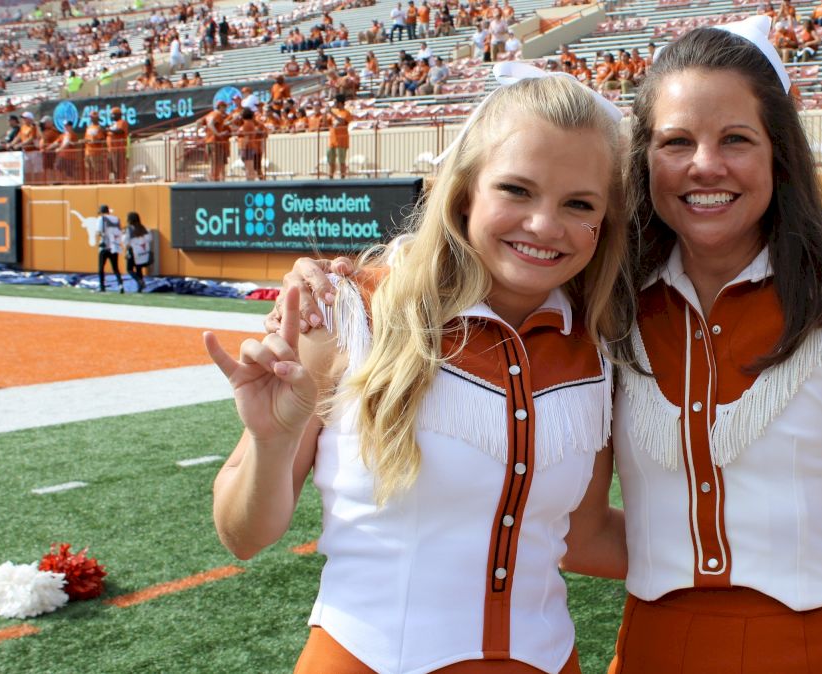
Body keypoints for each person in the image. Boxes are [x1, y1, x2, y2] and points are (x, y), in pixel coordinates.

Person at [273, 16, 822, 671]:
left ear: (778, 153)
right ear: (644, 163)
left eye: (735, 139)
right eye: (676, 142)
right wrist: (345, 278)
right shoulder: (606, 305)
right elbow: (573, 523)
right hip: (654, 651)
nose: (705, 165)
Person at [206, 65, 630, 674]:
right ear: (463, 192)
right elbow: (242, 535)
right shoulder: (349, 312)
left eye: (578, 203)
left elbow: (584, 538)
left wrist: (770, 543)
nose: (544, 224)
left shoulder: (602, 348)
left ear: (603, 221)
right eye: (516, 190)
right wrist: (271, 445)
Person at [96, 205, 125, 292]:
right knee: (115, 268)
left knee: (101, 268)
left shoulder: (101, 219)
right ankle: (120, 285)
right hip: (114, 246)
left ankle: (102, 287)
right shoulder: (116, 219)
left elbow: (99, 231)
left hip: (104, 246)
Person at [123, 211, 152, 291]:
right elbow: (150, 238)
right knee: (139, 268)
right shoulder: (144, 228)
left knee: (129, 269)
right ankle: (140, 288)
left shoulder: (129, 229)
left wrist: (127, 250)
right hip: (143, 251)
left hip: (133, 250)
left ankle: (139, 281)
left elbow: (125, 241)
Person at [327, 94, 352, 178]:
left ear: (340, 103)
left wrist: (332, 113)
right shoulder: (334, 112)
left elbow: (342, 122)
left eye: (336, 102)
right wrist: (326, 112)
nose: (334, 104)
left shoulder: (346, 113)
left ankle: (342, 177)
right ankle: (331, 177)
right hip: (333, 140)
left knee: (341, 160)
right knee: (331, 160)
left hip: (341, 141)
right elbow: (326, 123)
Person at [83, 110, 108, 183]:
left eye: (93, 117)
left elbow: (101, 139)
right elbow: (86, 138)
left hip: (96, 153)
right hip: (87, 152)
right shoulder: (88, 127)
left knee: (97, 170)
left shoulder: (99, 128)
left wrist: (93, 142)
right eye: (91, 117)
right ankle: (91, 184)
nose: (91, 118)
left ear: (97, 118)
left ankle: (99, 183)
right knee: (88, 169)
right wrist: (84, 141)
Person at [107, 106, 129, 183]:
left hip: (118, 149)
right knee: (113, 168)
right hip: (111, 150)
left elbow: (120, 131)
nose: (111, 116)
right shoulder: (113, 124)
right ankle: (116, 181)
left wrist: (109, 129)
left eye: (113, 114)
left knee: (119, 168)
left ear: (118, 114)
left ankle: (121, 181)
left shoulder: (122, 122)